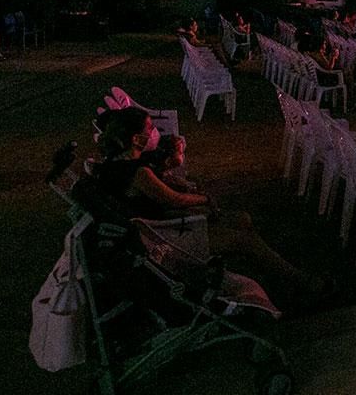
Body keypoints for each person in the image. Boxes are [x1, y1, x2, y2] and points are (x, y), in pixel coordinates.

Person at [92, 108, 331, 302]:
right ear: (135, 139)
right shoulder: (137, 173)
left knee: (242, 219)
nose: (154, 132)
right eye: (150, 128)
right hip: (165, 242)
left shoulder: (114, 164)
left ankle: (274, 271)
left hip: (157, 229)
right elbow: (173, 199)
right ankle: (300, 281)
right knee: (244, 239)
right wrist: (204, 199)